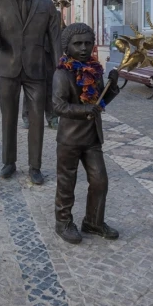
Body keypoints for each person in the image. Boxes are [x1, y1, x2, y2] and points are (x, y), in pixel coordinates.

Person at [0, 0, 61, 184]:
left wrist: (60, 72)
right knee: (8, 118)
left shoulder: (47, 6)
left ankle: (35, 166)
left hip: (36, 70)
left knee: (37, 119)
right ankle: (9, 162)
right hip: (8, 68)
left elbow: (55, 41)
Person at [52, 22, 121, 244]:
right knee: (66, 183)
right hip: (70, 140)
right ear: (67, 46)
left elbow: (100, 102)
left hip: (92, 139)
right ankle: (63, 222)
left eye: (88, 43)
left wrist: (112, 87)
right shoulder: (62, 74)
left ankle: (93, 221)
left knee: (100, 180)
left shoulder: (94, 71)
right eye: (78, 44)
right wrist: (84, 110)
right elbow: (58, 107)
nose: (83, 48)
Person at [23, 0, 58, 130]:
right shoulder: (27, 15)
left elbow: (59, 37)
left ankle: (52, 117)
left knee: (51, 88)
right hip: (32, 57)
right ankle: (28, 117)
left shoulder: (55, 13)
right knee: (30, 88)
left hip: (49, 58)